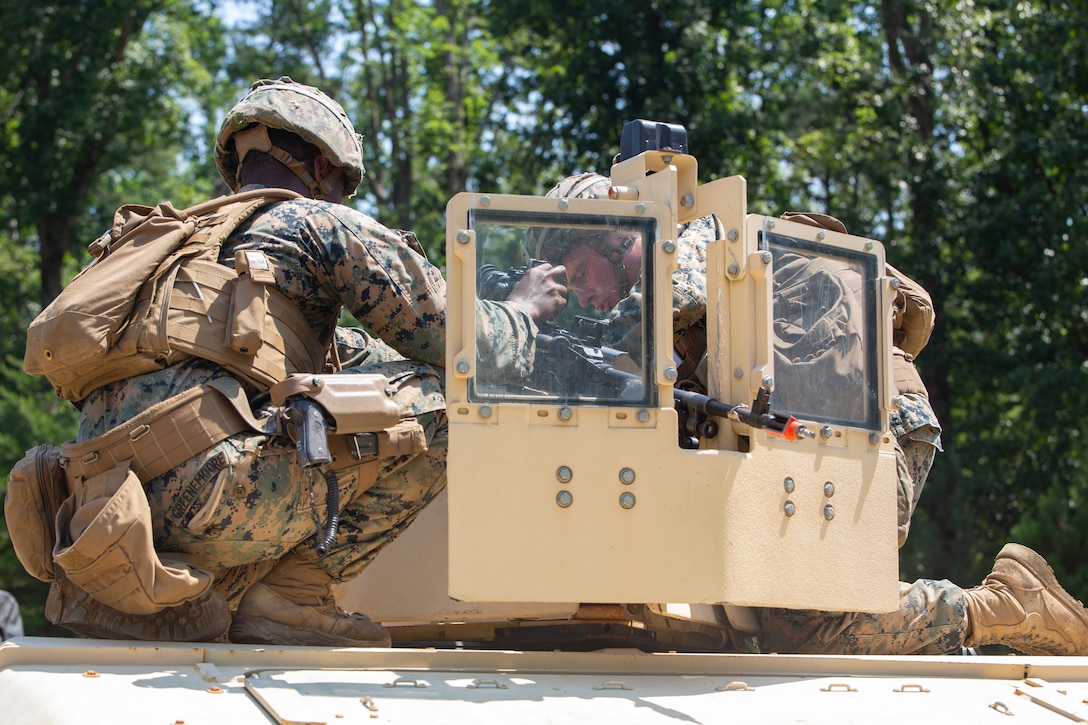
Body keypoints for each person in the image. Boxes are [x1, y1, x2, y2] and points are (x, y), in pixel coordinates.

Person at [494, 171, 1088, 656]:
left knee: (808, 622)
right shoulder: (652, 314)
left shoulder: (699, 247)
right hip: (808, 439)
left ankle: (1001, 609)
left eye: (578, 275)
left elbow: (659, 310)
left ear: (617, 236)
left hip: (873, 425)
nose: (582, 295)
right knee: (784, 619)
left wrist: (521, 323)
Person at [42, 76, 448, 647]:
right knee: (445, 403)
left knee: (348, 395)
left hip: (103, 513)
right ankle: (290, 599)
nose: (335, 196)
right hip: (209, 499)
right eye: (336, 182)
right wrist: (523, 310)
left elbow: (345, 357)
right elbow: (453, 339)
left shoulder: (180, 251)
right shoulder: (315, 223)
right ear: (316, 164)